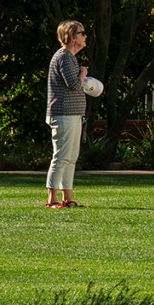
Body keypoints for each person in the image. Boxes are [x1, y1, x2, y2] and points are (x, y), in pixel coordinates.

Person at [45, 22, 100, 209]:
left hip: (73, 114)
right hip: (63, 114)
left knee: (71, 157)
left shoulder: (70, 58)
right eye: (81, 33)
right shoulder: (64, 57)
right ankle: (51, 200)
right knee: (61, 156)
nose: (85, 36)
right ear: (71, 37)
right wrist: (83, 73)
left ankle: (67, 198)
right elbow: (74, 85)